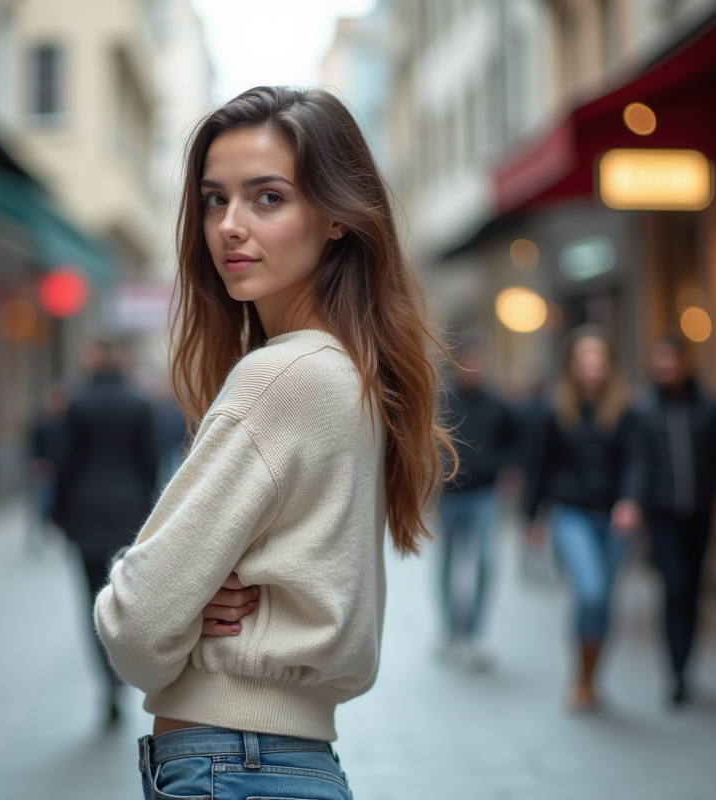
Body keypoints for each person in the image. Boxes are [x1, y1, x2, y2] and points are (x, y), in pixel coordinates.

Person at [94, 86, 454, 800]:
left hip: (232, 764)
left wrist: (171, 598)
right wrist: (189, 597)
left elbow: (134, 626)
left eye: (267, 198)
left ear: (336, 220)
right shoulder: (342, 368)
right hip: (271, 762)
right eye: (213, 200)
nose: (229, 225)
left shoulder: (282, 376)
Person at [523, 326, 642, 711]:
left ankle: (594, 679)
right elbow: (538, 467)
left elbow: (636, 461)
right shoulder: (554, 410)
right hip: (571, 514)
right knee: (590, 590)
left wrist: (630, 500)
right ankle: (579, 677)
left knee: (605, 600)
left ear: (610, 364)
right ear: (572, 365)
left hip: (615, 520)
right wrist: (532, 519)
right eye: (584, 359)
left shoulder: (627, 410)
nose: (592, 366)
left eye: (599, 358)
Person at [633, 333, 716, 706]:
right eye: (659, 362)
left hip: (699, 514)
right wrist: (633, 502)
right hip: (662, 516)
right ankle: (675, 672)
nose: (666, 369)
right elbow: (637, 463)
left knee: (694, 589)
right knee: (675, 587)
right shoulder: (644, 409)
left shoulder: (710, 407)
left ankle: (686, 664)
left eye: (672, 361)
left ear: (684, 363)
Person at [54, 338, 159, 726]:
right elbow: (151, 463)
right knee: (123, 599)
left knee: (91, 599)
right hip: (129, 514)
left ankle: (106, 681)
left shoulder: (77, 404)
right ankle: (120, 677)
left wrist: (58, 516)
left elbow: (63, 464)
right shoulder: (140, 403)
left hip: (85, 512)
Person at [437, 333, 515, 670]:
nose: (474, 367)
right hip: (449, 496)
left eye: (479, 360)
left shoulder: (497, 404)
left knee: (485, 561)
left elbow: (514, 442)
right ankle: (451, 631)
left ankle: (476, 633)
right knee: (449, 565)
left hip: (485, 495)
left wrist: (510, 474)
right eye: (468, 361)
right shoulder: (442, 403)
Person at [28, 384, 67, 550]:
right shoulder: (42, 424)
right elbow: (33, 446)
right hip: (45, 470)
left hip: (62, 471)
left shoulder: (67, 423)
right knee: (43, 502)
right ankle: (41, 531)